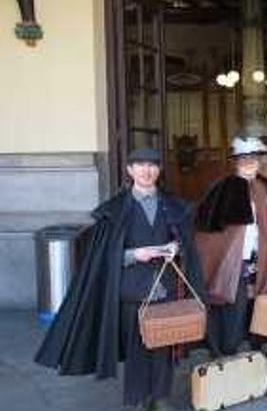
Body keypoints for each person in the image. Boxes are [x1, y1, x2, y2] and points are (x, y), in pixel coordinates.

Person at [35, 148, 203, 411]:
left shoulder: (173, 205)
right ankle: (137, 399)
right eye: (140, 165)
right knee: (137, 348)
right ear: (130, 170)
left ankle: (160, 397)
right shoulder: (114, 210)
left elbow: (187, 244)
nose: (147, 171)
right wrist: (135, 254)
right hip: (132, 290)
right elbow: (104, 255)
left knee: (164, 345)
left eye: (153, 165)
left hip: (167, 286)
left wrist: (176, 248)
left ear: (159, 170)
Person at [194, 136, 267, 357]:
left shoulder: (265, 188)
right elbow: (207, 231)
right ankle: (227, 356)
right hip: (232, 264)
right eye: (244, 159)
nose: (250, 163)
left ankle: (249, 358)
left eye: (254, 159)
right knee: (234, 311)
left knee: (256, 311)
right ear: (236, 162)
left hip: (259, 262)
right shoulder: (223, 188)